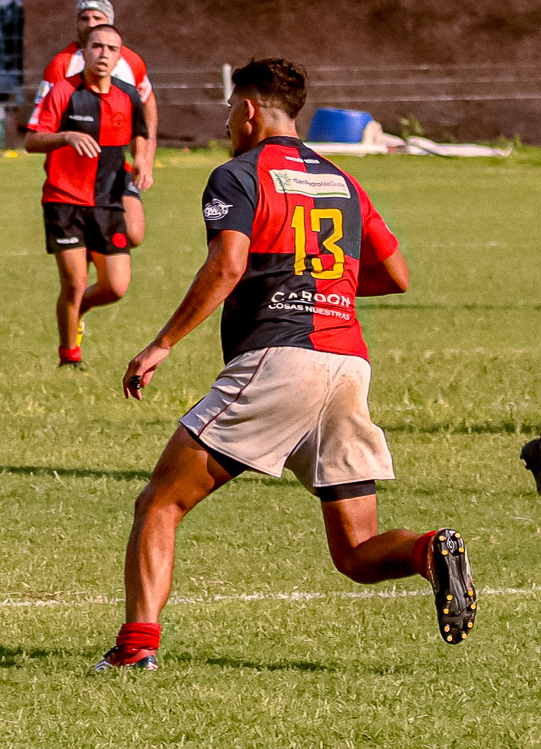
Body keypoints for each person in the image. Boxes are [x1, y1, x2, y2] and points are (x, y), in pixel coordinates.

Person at [99, 58, 475, 671]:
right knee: (355, 552)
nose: (227, 123)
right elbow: (396, 275)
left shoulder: (238, 175)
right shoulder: (344, 182)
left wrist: (162, 343)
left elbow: (226, 267)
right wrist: (321, 285)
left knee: (160, 504)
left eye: (229, 110)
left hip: (280, 360)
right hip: (347, 365)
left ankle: (135, 650)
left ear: (248, 110)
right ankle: (430, 550)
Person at [24, 23, 147, 367]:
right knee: (76, 282)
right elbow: (32, 140)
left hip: (108, 201)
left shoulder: (128, 95)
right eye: (97, 47)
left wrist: (142, 162)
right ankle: (69, 358)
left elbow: (140, 133)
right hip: (64, 200)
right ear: (84, 52)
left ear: (119, 56)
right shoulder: (63, 92)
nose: (103, 54)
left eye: (112, 48)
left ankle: (80, 312)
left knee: (116, 287)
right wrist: (65, 137)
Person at [34, 0, 157, 247]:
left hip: (114, 172)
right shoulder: (61, 65)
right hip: (72, 178)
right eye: (84, 18)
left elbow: (147, 103)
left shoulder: (130, 62)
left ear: (109, 23)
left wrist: (145, 158)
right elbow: (40, 125)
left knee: (133, 233)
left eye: (97, 18)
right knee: (80, 272)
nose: (90, 23)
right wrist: (67, 136)